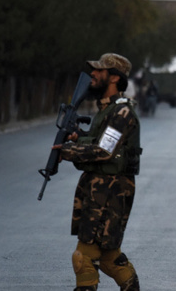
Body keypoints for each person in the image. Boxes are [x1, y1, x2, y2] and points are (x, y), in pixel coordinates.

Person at [54, 53, 141, 291]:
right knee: (110, 258)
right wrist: (79, 138)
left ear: (114, 78)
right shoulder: (108, 110)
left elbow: (104, 151)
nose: (93, 74)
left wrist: (69, 151)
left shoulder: (122, 112)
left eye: (99, 71)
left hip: (110, 193)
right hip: (100, 191)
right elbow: (100, 141)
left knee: (84, 257)